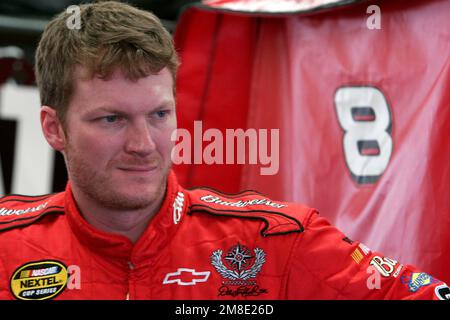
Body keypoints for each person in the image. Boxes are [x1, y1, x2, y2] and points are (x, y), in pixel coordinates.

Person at [0, 1, 448, 300]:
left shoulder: (277, 242)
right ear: (53, 128)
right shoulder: (8, 249)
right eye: (111, 119)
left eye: (159, 115)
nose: (144, 145)